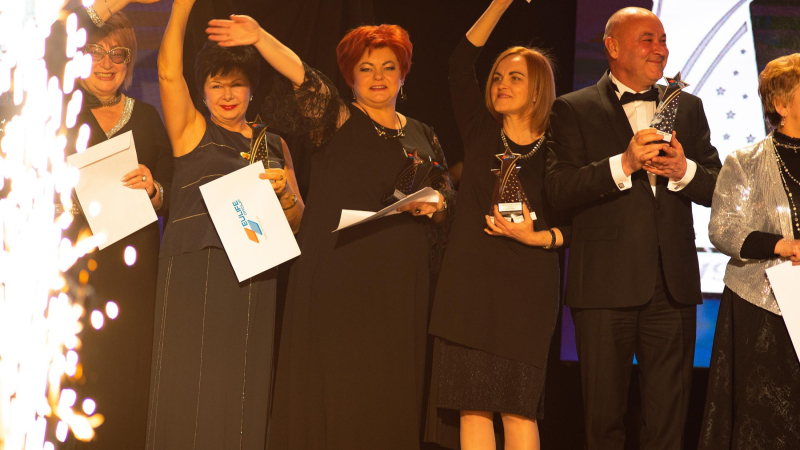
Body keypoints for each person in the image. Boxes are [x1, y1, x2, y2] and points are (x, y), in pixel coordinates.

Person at [205, 16, 456, 449]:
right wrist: (261, 37)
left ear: (403, 74)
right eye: (365, 68)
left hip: (401, 284)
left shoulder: (424, 133)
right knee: (340, 388)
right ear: (351, 77)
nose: (378, 77)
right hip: (341, 277)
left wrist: (436, 205)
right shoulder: (337, 119)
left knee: (389, 390)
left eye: (389, 67)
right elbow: (303, 76)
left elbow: (447, 197)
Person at [545, 7, 722, 450]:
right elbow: (558, 190)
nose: (660, 49)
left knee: (667, 424)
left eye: (663, 40)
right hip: (603, 288)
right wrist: (622, 164)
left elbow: (719, 187)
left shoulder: (689, 107)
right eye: (648, 39)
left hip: (672, 287)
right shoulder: (572, 108)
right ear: (612, 46)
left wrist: (683, 170)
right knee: (603, 421)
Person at [145, 0, 303, 448]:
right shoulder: (193, 130)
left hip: (253, 277)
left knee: (240, 389)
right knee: (187, 382)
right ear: (203, 92)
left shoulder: (274, 145)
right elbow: (168, 73)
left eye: (237, 84)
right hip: (196, 271)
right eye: (217, 85)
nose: (227, 94)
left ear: (252, 90)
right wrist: (182, 8)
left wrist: (285, 195)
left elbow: (296, 222)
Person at [425, 1, 569, 449]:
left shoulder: (561, 147)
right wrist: (499, 4)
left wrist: (540, 237)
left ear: (538, 89)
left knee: (518, 409)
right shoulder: (479, 128)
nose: (501, 84)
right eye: (497, 77)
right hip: (468, 287)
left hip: (527, 292)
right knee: (472, 407)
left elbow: (579, 223)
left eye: (515, 77)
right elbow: (458, 64)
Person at [64, 2, 171, 449]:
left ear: (129, 62)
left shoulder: (146, 117)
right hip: (74, 272)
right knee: (75, 372)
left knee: (127, 376)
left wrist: (155, 189)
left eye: (118, 54)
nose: (107, 63)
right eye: (96, 52)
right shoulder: (60, 112)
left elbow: (174, 189)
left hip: (133, 275)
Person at [698, 53, 800, 450]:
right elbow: (724, 229)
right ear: (781, 104)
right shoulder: (745, 162)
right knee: (765, 418)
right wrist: (783, 245)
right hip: (762, 306)